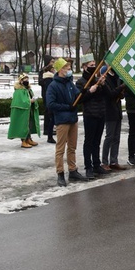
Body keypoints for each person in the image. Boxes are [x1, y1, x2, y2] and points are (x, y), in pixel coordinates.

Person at [46, 58, 88, 186]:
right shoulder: (53, 86)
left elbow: (77, 96)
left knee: (72, 147)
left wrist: (84, 92)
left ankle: (72, 170)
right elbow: (51, 104)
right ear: (60, 70)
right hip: (62, 121)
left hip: (73, 119)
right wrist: (67, 107)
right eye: (66, 68)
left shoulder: (70, 83)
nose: (69, 70)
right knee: (60, 148)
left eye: (69, 68)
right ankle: (60, 173)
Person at [76, 54, 110, 179]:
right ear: (84, 67)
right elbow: (80, 99)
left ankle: (96, 164)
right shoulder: (80, 82)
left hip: (101, 113)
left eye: (94, 65)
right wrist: (90, 91)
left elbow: (107, 95)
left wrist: (102, 84)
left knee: (97, 141)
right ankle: (88, 167)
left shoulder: (97, 79)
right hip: (90, 114)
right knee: (89, 142)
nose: (93, 67)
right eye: (91, 65)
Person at [101, 66, 127, 171]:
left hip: (117, 111)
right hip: (109, 112)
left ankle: (113, 160)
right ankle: (104, 162)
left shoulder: (116, 78)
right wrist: (121, 88)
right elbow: (110, 94)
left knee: (116, 137)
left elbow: (118, 94)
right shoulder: (105, 80)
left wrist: (121, 92)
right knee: (109, 137)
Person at [7, 73, 40, 148]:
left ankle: (29, 139)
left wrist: (33, 100)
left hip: (28, 110)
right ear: (21, 81)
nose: (27, 80)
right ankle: (23, 141)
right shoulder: (19, 90)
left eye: (27, 79)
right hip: (22, 111)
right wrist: (30, 101)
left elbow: (29, 96)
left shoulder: (28, 89)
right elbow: (21, 101)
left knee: (29, 125)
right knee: (23, 125)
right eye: (25, 79)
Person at [40, 61, 56, 143]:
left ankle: (49, 135)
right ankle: (49, 136)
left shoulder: (47, 77)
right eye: (53, 68)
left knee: (52, 119)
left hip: (49, 100)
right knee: (51, 119)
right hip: (50, 101)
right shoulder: (49, 78)